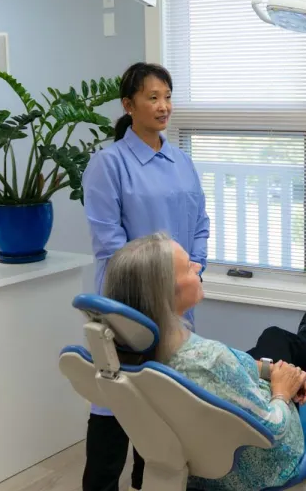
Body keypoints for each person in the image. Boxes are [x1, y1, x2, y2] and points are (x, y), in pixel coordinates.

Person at [102, 232, 306, 491]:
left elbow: (228, 366)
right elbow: (271, 430)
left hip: (193, 466)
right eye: (189, 266)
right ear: (166, 292)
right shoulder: (210, 361)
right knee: (275, 337)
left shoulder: (134, 356)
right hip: (261, 466)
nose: (199, 266)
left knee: (271, 340)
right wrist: (282, 391)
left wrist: (269, 370)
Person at [81, 62, 210, 491]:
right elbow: (109, 244)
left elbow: (200, 226)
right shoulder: (108, 163)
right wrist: (158, 289)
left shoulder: (182, 163)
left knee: (163, 416)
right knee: (118, 409)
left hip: (176, 306)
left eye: (168, 97)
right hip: (126, 307)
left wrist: (191, 276)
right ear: (128, 104)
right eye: (153, 97)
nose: (163, 106)